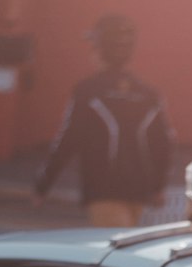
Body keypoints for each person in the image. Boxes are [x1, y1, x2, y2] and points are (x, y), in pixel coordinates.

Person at [33, 13, 173, 228]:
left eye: (94, 46)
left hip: (103, 191)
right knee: (129, 250)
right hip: (139, 190)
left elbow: (68, 140)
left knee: (114, 253)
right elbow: (164, 143)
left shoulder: (88, 91)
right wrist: (158, 187)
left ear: (100, 50)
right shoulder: (149, 94)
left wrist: (43, 185)